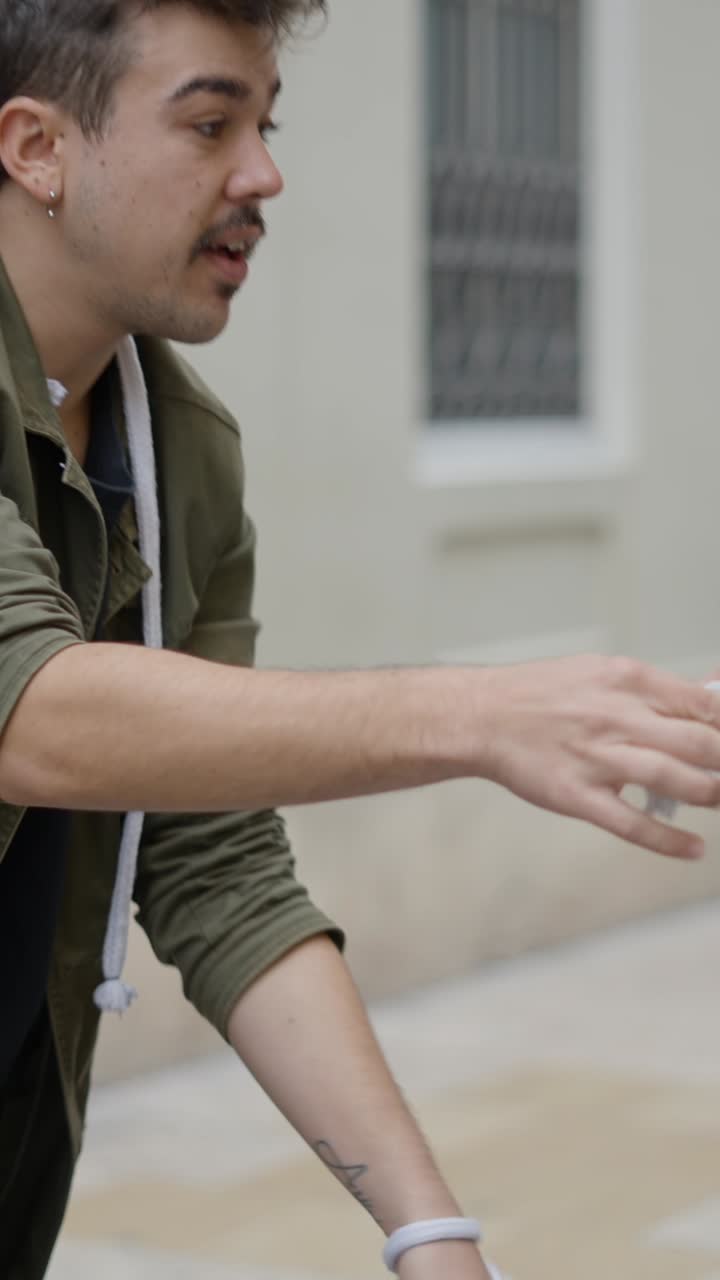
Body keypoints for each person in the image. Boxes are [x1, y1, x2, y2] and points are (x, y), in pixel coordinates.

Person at [0, 1, 719, 1277]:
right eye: (211, 123)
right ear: (36, 147)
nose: (264, 174)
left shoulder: (183, 452)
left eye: (265, 126)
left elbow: (211, 854)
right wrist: (479, 716)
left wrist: (430, 1230)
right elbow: (35, 715)